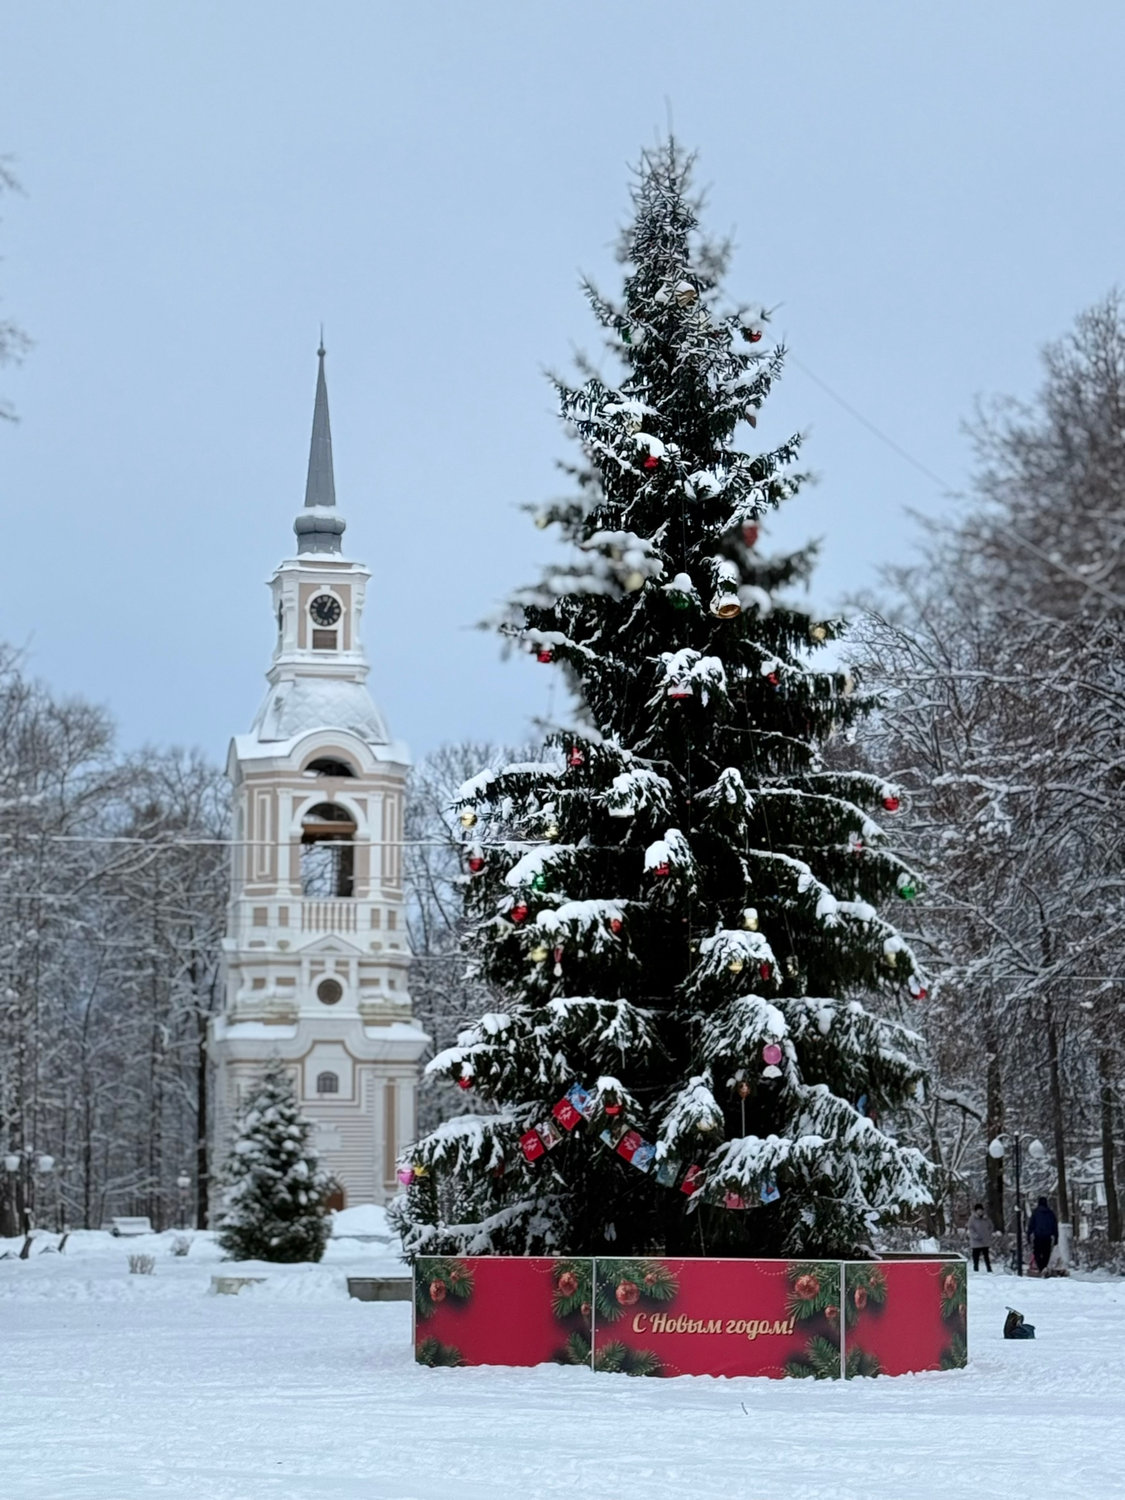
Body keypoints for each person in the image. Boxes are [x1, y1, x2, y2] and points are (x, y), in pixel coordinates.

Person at [1027, 1195, 1058, 1274]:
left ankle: (1041, 1267)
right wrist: (1056, 1237)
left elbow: (1031, 1225)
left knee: (1037, 1252)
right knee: (1046, 1253)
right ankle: (1044, 1266)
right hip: (1047, 1237)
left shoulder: (1035, 1213)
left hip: (1038, 1236)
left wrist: (1028, 1235)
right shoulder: (1050, 1213)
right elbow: (1054, 1226)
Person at [968, 1203, 993, 1272]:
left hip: (985, 1241)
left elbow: (991, 1226)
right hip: (976, 1242)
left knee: (986, 1256)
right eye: (978, 1210)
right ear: (976, 1211)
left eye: (981, 1210)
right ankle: (976, 1269)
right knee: (976, 1257)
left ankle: (989, 1269)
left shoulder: (986, 1218)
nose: (980, 1212)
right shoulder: (972, 1219)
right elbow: (970, 1228)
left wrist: (988, 1234)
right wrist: (975, 1236)